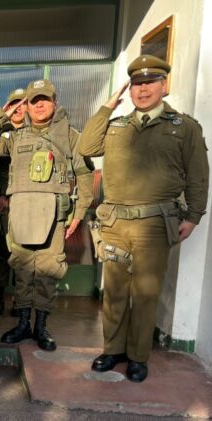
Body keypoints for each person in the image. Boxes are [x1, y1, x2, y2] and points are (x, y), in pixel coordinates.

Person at [80, 55, 209, 382]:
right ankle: (113, 350)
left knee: (146, 293)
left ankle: (138, 357)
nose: (143, 89)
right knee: (114, 292)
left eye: (150, 83)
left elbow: (198, 175)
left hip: (155, 224)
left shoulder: (184, 127)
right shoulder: (117, 126)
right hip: (115, 223)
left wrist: (193, 216)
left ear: (164, 86)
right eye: (137, 84)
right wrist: (109, 105)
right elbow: (86, 145)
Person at [0, 79, 94, 351]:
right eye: (33, 101)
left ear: (55, 102)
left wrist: (79, 214)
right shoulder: (15, 137)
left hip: (53, 217)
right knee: (22, 269)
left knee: (48, 271)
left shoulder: (70, 136)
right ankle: (23, 324)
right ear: (26, 105)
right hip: (21, 216)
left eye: (44, 100)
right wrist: (4, 115)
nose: (39, 105)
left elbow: (85, 174)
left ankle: (41, 326)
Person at [0, 88, 27, 317]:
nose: (18, 109)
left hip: (24, 204)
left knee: (22, 255)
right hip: (1, 204)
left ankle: (20, 301)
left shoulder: (34, 133)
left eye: (22, 104)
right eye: (14, 104)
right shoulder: (0, 134)